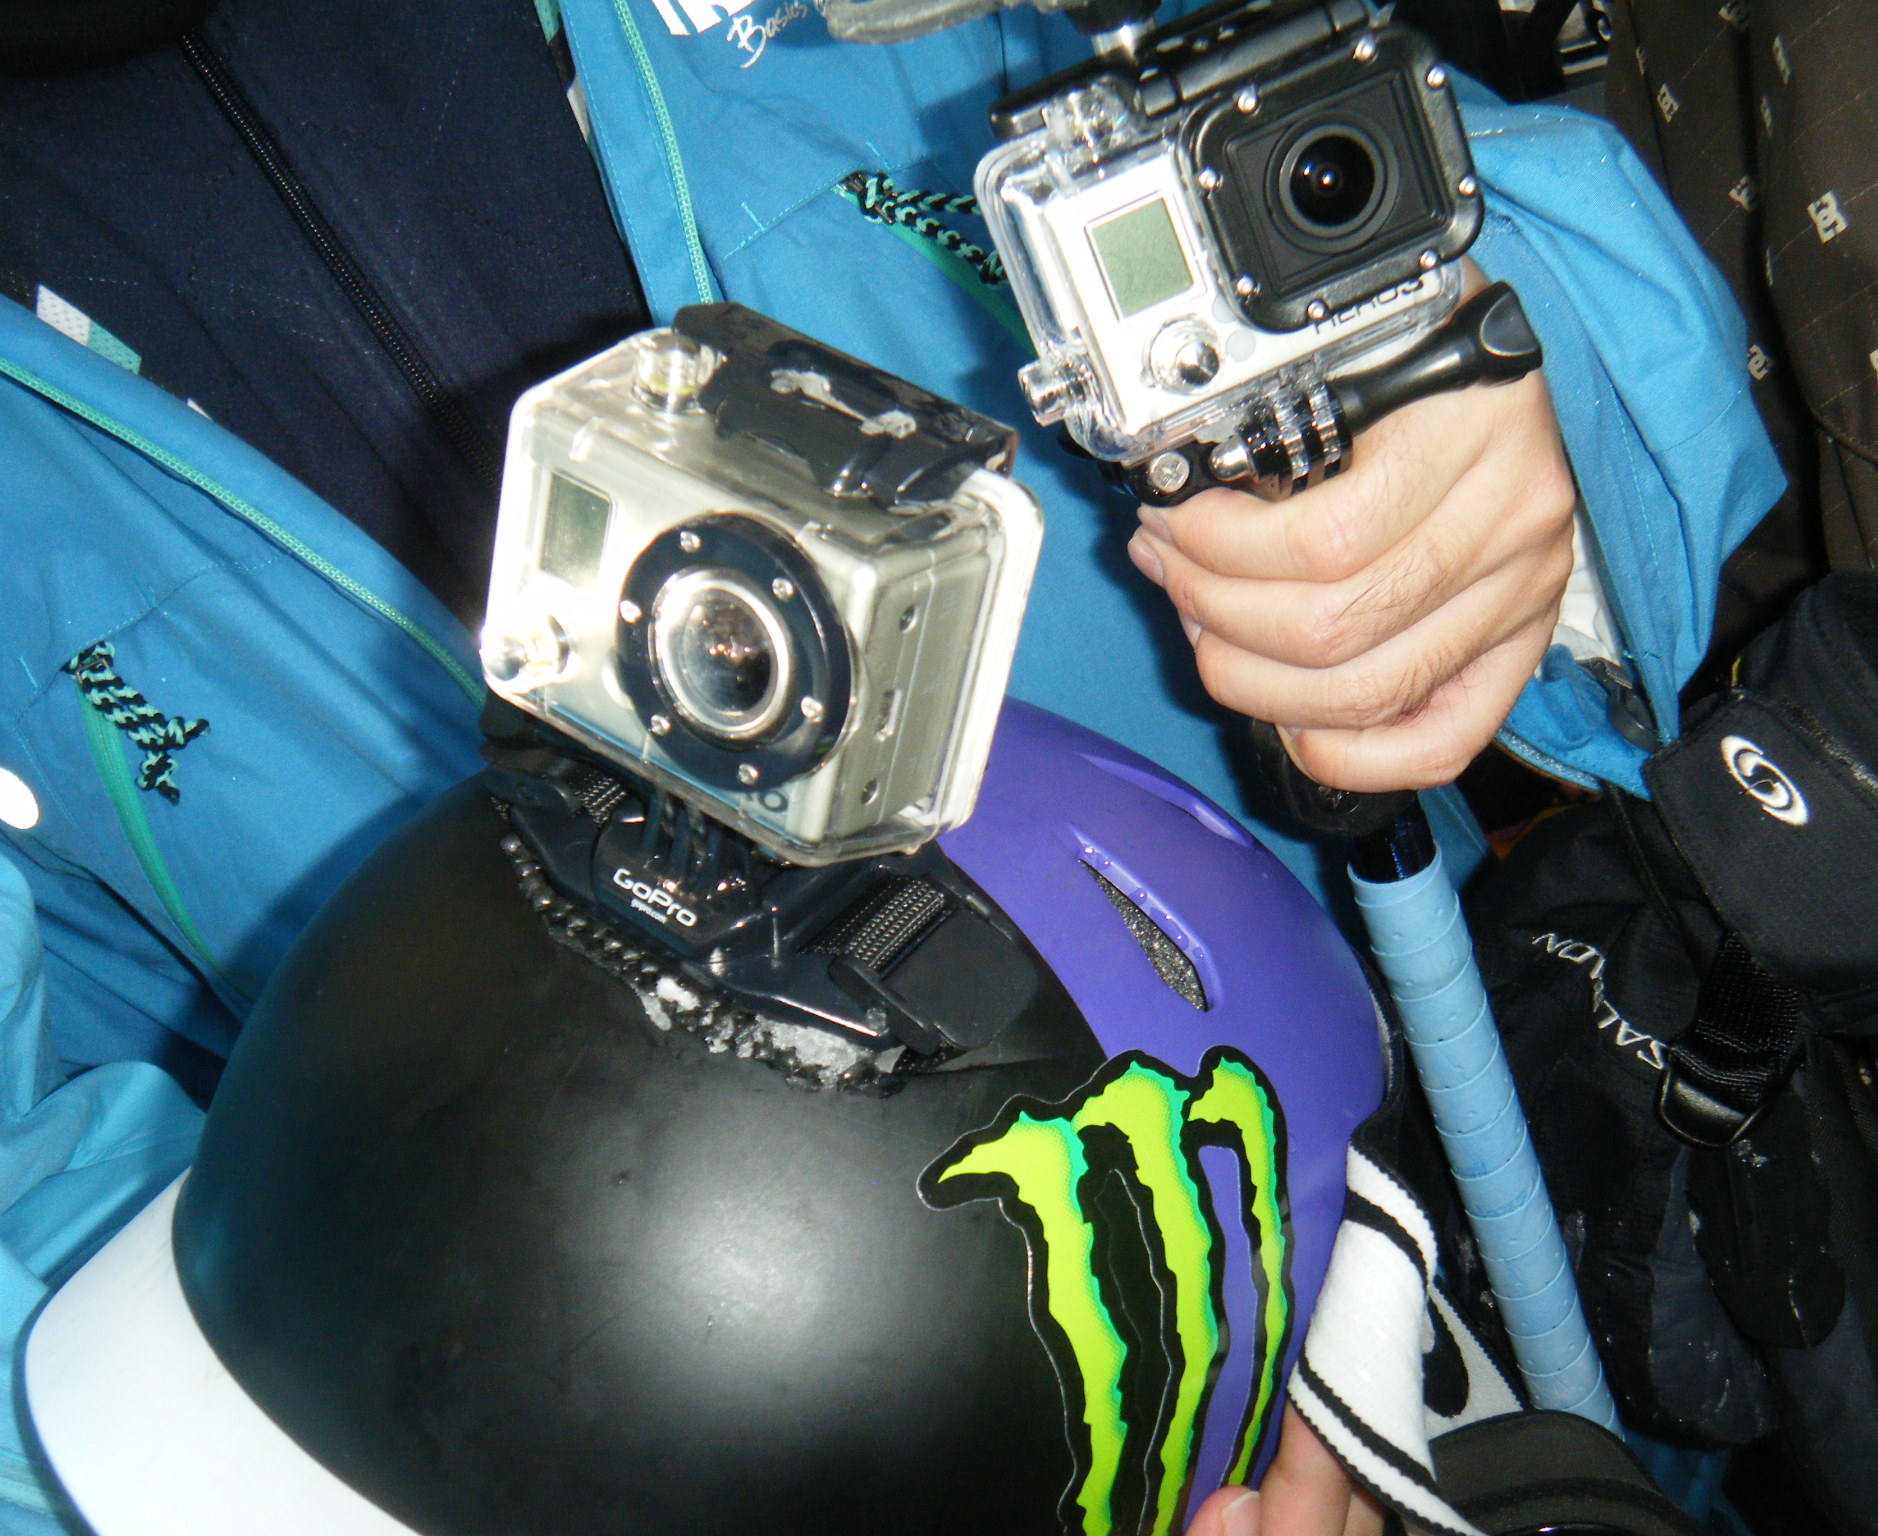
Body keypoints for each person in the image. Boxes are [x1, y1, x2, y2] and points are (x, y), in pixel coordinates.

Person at [0, 0, 1778, 1530]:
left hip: (1467, 1150)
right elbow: (55, 1164)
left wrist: (1482, 389)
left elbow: (1365, 135)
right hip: (578, 1398)